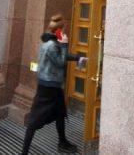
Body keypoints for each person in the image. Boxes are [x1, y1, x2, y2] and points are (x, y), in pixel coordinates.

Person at [21, 14, 87, 155]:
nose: (64, 32)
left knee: (60, 113)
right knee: (34, 120)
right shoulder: (52, 45)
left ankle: (62, 142)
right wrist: (64, 44)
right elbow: (60, 62)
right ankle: (24, 152)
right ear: (58, 30)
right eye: (63, 29)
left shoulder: (49, 42)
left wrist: (77, 57)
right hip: (49, 88)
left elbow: (60, 56)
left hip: (51, 85)